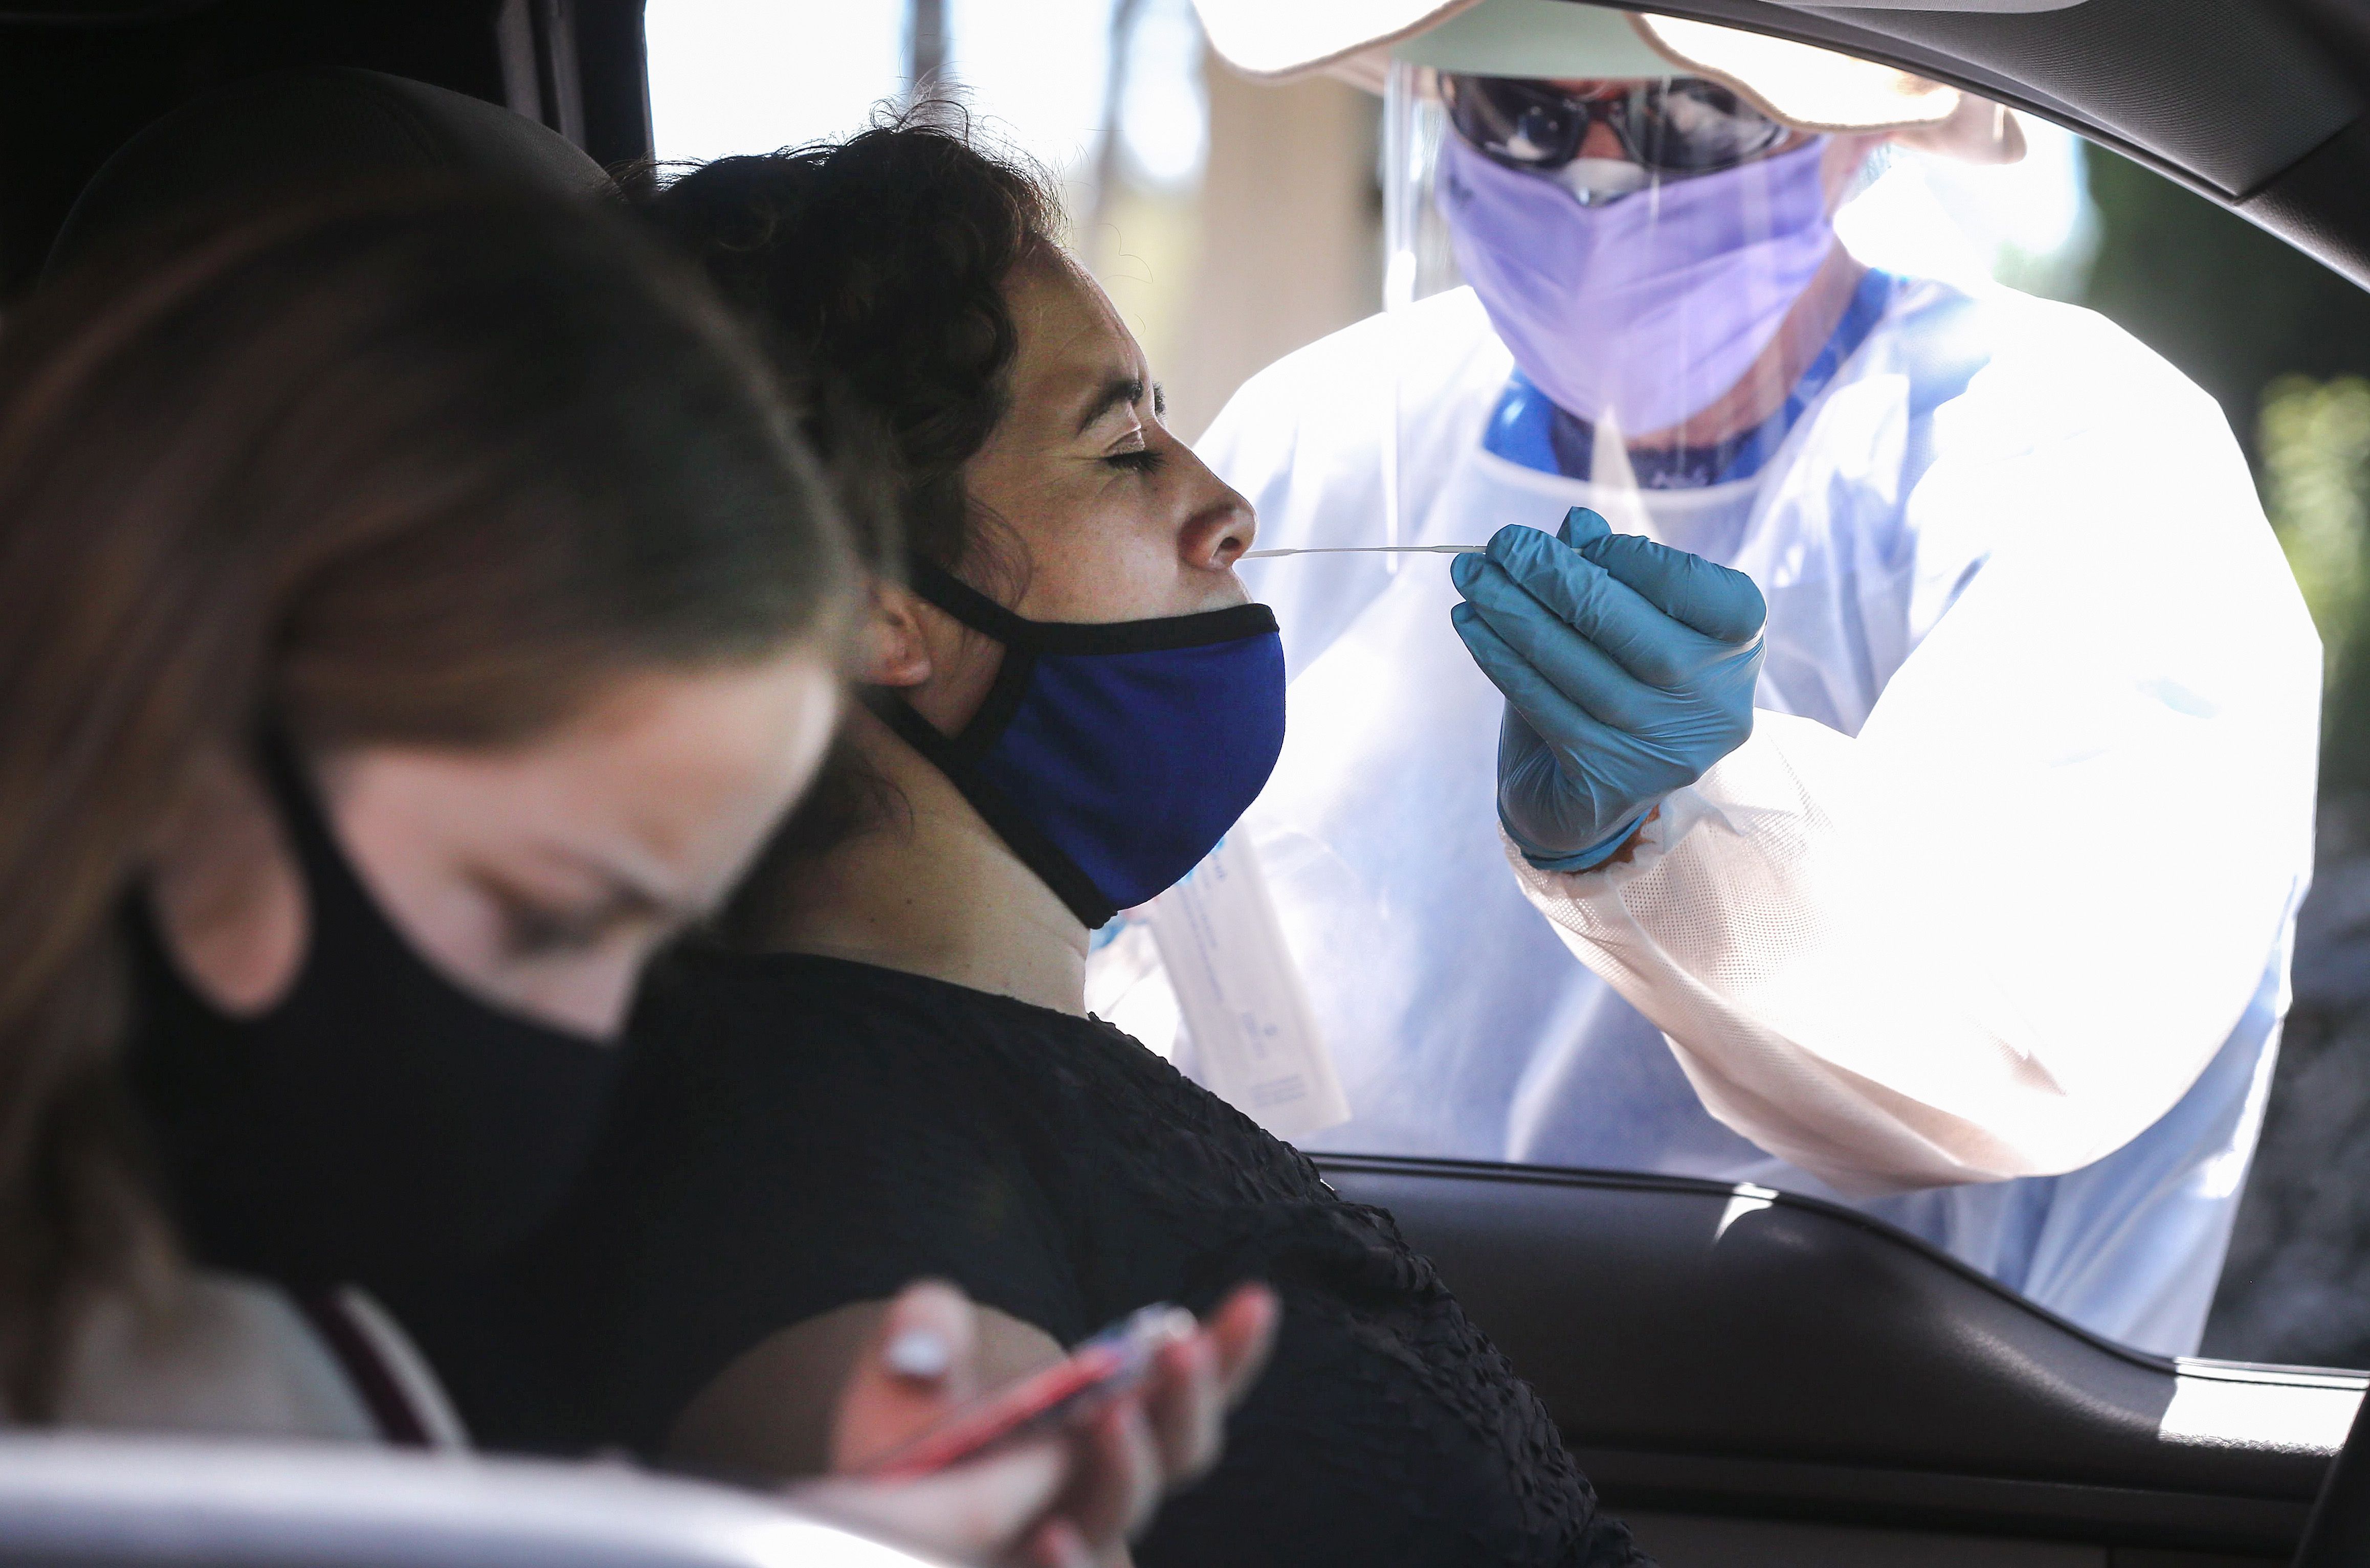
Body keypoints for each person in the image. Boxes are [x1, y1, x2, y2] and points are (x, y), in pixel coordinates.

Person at [0, 180, 1258, 1568]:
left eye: (651, 941)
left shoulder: (277, 1344)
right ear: (180, 778)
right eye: (539, 915)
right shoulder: (128, 1402)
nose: (586, 1042)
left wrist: (819, 1541)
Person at [500, 121, 1653, 1568]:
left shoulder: (978, 1060)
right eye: (1121, 448)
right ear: (871, 609)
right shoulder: (824, 1135)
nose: (1226, 507)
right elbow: (884, 1476)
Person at [1169, 0, 2321, 1356]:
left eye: (1691, 111)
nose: (1595, 179)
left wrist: (1696, 833)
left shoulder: (2068, 456)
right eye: (1525, 112)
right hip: (1337, 1404)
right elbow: (1160, 952)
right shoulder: (1318, 439)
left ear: (1855, 138)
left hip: (1870, 1459)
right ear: (1436, 114)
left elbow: (2044, 1033)